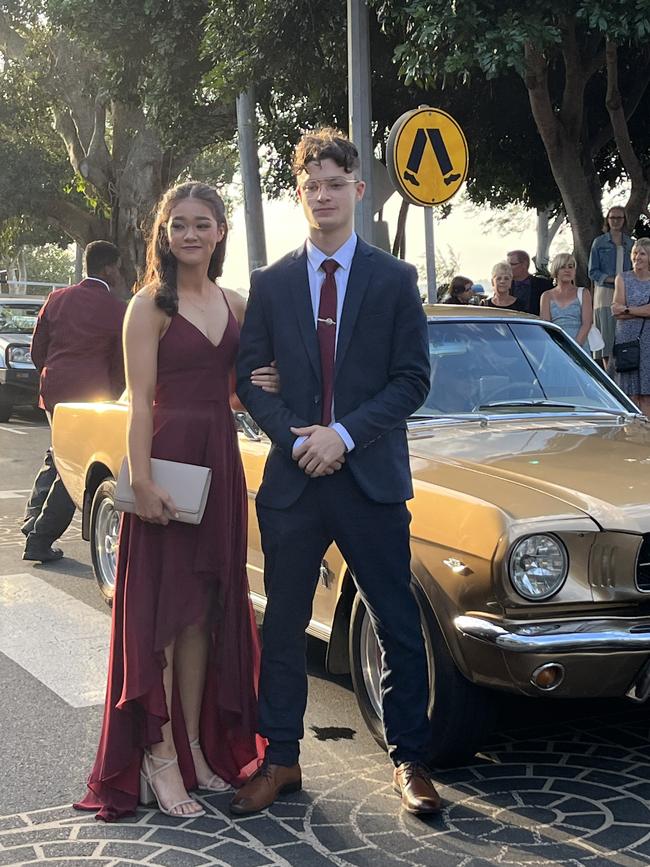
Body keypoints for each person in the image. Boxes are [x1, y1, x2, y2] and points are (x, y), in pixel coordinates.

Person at [235, 128, 440, 817]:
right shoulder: (269, 283)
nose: (322, 195)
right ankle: (281, 758)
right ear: (300, 195)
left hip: (370, 478)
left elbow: (413, 379)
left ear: (358, 189)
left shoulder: (394, 280)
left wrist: (343, 434)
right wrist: (295, 436)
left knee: (397, 623)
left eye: (334, 183)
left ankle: (410, 759)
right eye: (310, 185)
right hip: (294, 481)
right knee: (284, 625)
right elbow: (249, 375)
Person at [74, 182, 276, 822]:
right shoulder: (148, 305)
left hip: (220, 460)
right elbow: (140, 400)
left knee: (202, 617)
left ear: (220, 232)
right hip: (167, 460)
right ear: (163, 234)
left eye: (203, 224)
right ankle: (158, 758)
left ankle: (191, 747)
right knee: (159, 619)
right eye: (179, 225)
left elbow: (238, 393)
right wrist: (142, 483)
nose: (190, 235)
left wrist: (263, 382)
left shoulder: (235, 302)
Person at [22, 241, 127, 563]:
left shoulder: (56, 298)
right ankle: (40, 538)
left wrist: (50, 375)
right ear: (109, 268)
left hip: (54, 388)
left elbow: (37, 349)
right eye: (119, 268)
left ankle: (31, 521)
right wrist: (115, 395)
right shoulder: (117, 308)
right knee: (76, 466)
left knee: (58, 455)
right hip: (91, 394)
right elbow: (119, 363)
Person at [588, 206, 634, 367]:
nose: (615, 221)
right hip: (605, 293)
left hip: (628, 292)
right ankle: (609, 376)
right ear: (607, 220)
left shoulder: (631, 243)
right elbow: (592, 272)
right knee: (606, 342)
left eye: (619, 218)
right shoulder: (599, 242)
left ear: (624, 220)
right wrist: (613, 280)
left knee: (624, 338)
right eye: (612, 217)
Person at [612, 237, 650, 415]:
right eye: (635, 253)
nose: (637, 257)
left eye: (642, 253)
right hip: (626, 339)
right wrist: (639, 310)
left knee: (647, 395)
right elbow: (615, 310)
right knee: (630, 394)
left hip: (648, 340)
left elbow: (623, 309)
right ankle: (631, 437)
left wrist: (626, 309)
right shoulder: (623, 278)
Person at [539, 253, 591, 351]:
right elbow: (546, 325)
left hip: (580, 345)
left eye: (571, 267)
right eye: (563, 267)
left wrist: (574, 347)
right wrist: (559, 347)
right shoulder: (546, 296)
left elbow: (587, 324)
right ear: (556, 270)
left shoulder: (584, 293)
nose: (567, 270)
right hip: (555, 346)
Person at [506, 249, 553, 314]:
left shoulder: (544, 285)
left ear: (524, 264)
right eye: (507, 264)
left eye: (512, 264)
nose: (508, 267)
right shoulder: (505, 285)